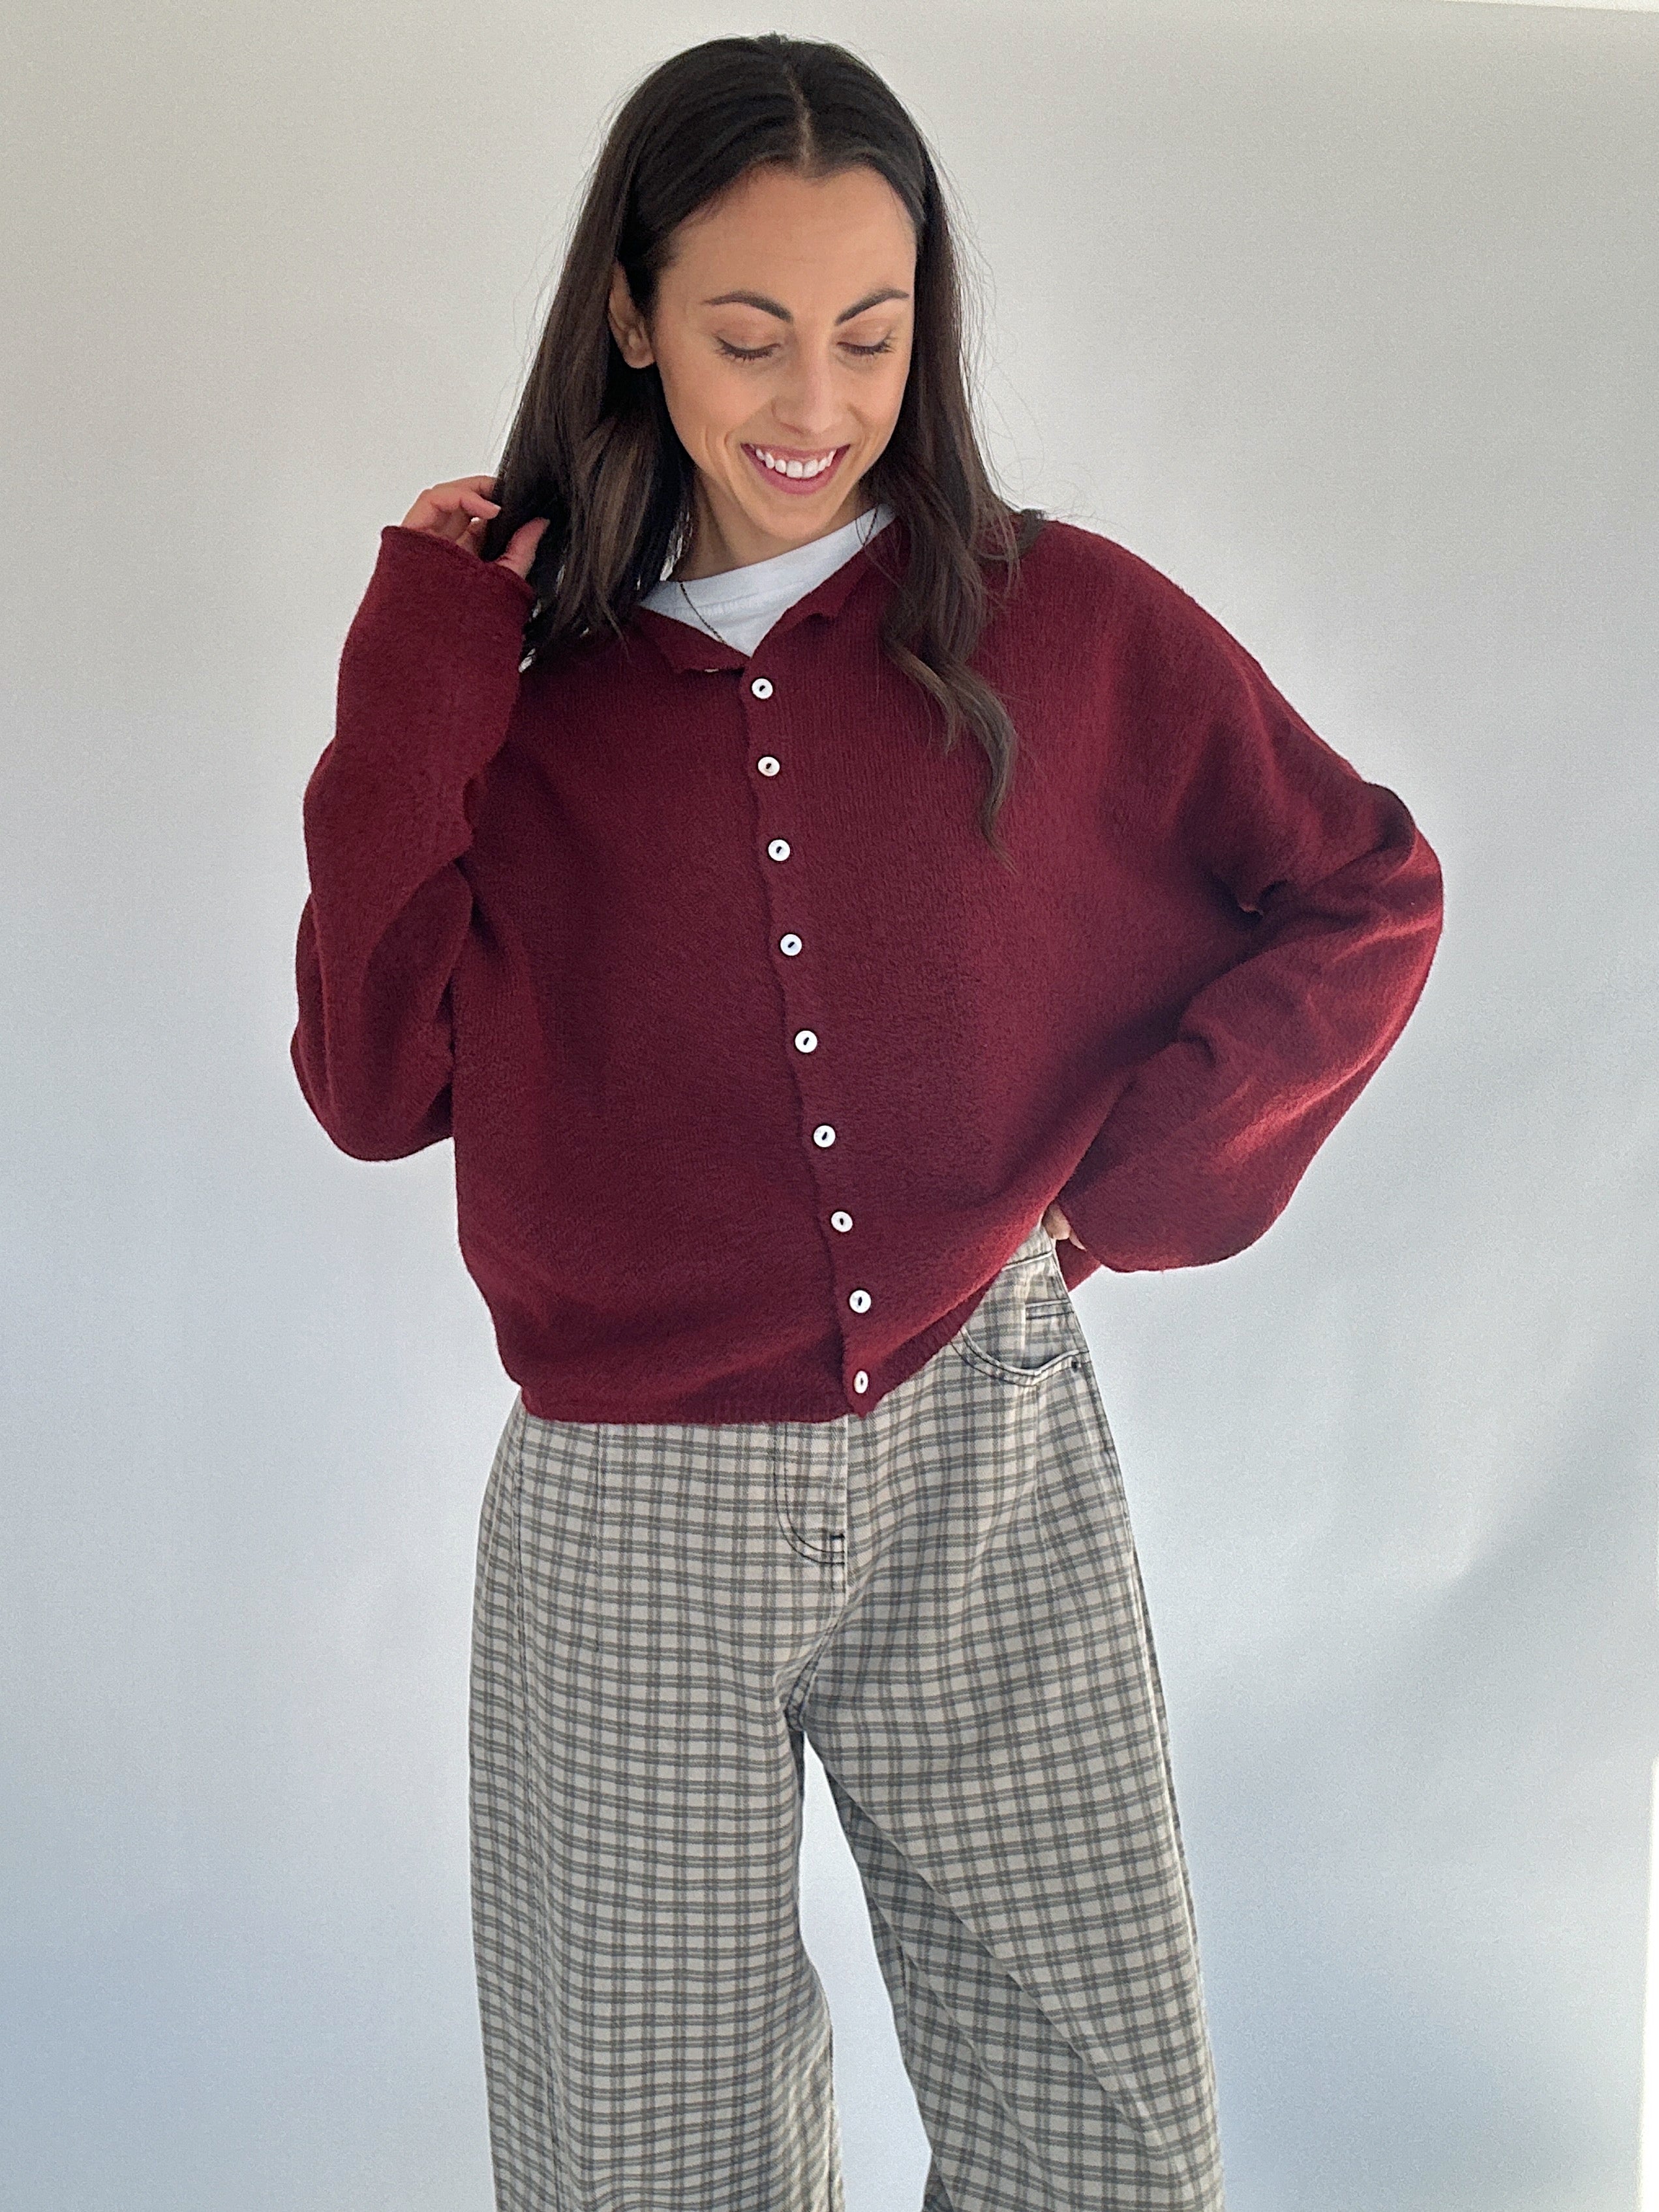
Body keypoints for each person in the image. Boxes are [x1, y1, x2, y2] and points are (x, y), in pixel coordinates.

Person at [289, 32, 1444, 2212]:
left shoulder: (1061, 616)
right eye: (747, 332)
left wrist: (1114, 1203)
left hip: (989, 1453)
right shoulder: (522, 699)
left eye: (873, 333)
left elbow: (1363, 886)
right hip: (628, 1517)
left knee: (1105, 2143)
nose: (815, 401)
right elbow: (370, 1086)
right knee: (645, 2170)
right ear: (628, 317)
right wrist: (426, 649)